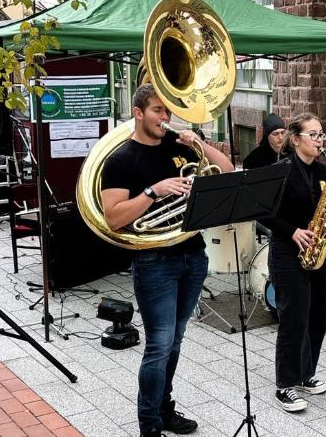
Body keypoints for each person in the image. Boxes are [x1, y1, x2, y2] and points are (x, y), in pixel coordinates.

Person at [100, 83, 234, 437]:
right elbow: (113, 217)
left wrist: (200, 145)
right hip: (154, 260)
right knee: (159, 344)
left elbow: (228, 170)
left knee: (175, 340)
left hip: (192, 254)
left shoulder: (179, 147)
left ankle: (164, 408)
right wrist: (153, 191)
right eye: (158, 110)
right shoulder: (121, 160)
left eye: (168, 111)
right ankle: (149, 423)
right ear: (138, 113)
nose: (165, 117)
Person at [259, 113, 326, 412]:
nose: (320, 141)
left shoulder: (323, 169)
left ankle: (306, 373)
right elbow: (262, 212)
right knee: (293, 318)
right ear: (295, 139)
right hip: (286, 252)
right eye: (314, 135)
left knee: (317, 314)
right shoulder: (279, 171)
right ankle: (284, 385)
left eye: (322, 135)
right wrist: (292, 231)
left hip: (317, 250)